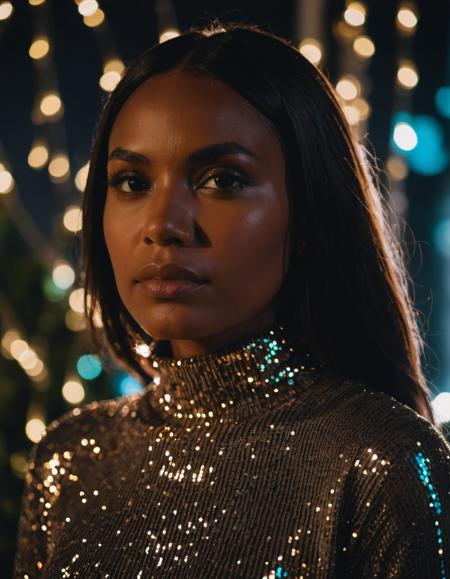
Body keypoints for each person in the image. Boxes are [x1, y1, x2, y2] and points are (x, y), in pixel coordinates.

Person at [13, 20, 450, 578]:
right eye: (131, 182)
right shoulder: (70, 459)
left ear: (310, 213)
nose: (164, 225)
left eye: (222, 179)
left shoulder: (381, 463)